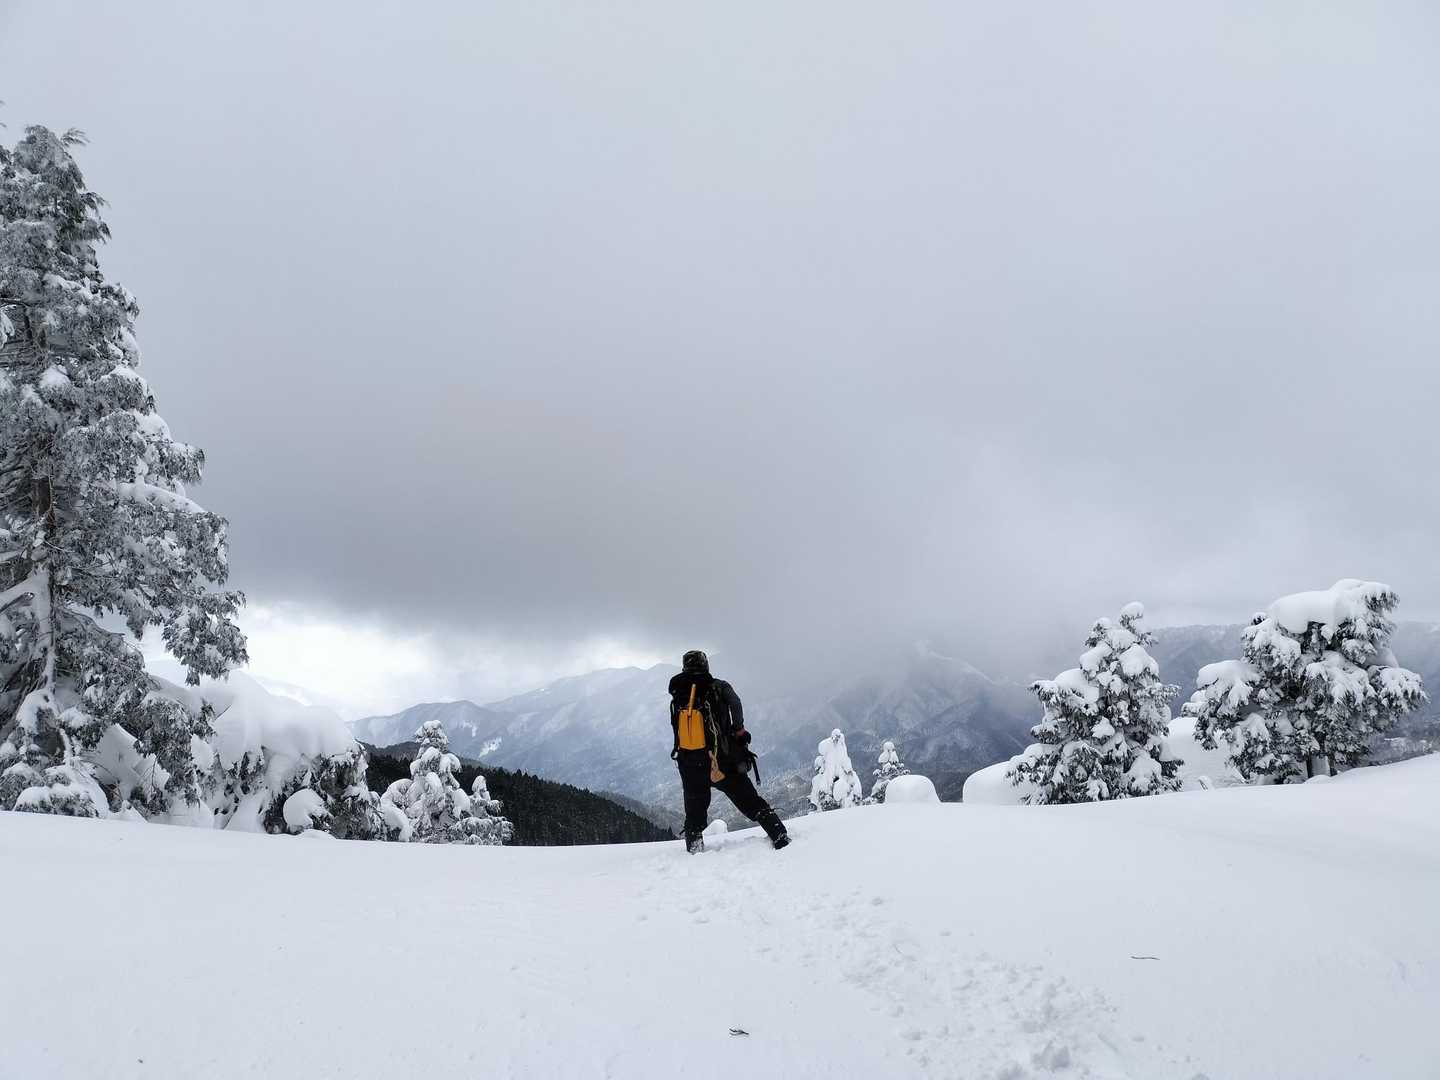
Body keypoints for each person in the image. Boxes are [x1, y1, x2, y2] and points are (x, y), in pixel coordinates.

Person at [669, 650, 790, 853]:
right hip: (722, 759)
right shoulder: (719, 686)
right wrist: (739, 729)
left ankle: (695, 851)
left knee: (694, 811)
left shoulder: (679, 693)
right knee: (749, 799)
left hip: (690, 761)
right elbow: (735, 702)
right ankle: (779, 836)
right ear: (705, 665)